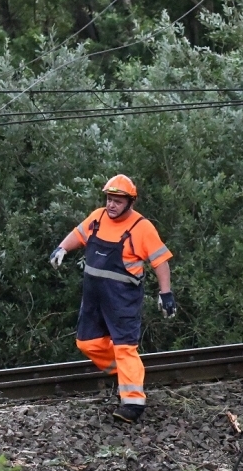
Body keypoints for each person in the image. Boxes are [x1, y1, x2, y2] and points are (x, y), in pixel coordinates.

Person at [49, 174, 175, 423]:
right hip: (94, 298)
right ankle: (127, 375)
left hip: (122, 299)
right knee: (87, 343)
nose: (111, 205)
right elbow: (78, 233)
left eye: (117, 200)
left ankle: (133, 403)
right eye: (109, 199)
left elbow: (161, 262)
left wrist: (166, 294)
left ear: (130, 202)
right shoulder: (97, 217)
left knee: (125, 347)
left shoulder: (142, 228)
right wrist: (62, 247)